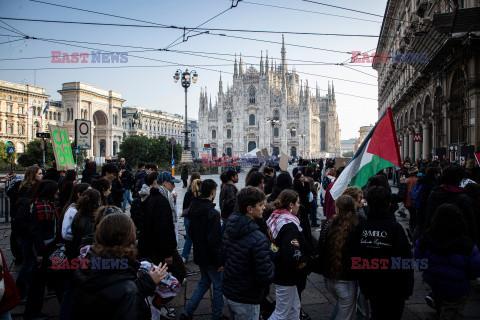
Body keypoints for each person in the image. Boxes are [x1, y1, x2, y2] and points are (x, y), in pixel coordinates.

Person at [70, 213, 168, 320]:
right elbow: (122, 295)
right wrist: (148, 282)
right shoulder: (124, 282)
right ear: (131, 239)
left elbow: (111, 294)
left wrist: (146, 283)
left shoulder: (90, 264)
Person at [352, 186, 414, 320]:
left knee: (377, 312)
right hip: (393, 286)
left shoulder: (362, 226)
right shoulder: (395, 228)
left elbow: (355, 254)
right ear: (389, 204)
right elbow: (405, 259)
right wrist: (407, 286)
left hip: (371, 284)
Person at [414, 204, 480, 319]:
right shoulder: (468, 246)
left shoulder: (425, 240)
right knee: (451, 310)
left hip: (434, 281)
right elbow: (474, 269)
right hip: (457, 286)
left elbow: (419, 260)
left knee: (440, 303)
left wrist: (429, 270)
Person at [221, 187, 274, 320]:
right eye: (261, 205)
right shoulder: (258, 238)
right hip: (247, 298)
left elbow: (223, 256)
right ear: (250, 209)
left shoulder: (231, 227)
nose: (264, 208)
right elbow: (265, 276)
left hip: (229, 292)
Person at [180, 179, 224, 320]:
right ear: (213, 192)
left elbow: (191, 233)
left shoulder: (194, 208)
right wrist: (219, 261)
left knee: (204, 282)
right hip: (211, 257)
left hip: (200, 253)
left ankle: (188, 311)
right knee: (217, 286)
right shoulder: (213, 214)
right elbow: (214, 241)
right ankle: (216, 315)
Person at [266, 190, 309, 320]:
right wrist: (303, 263)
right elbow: (291, 251)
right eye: (298, 203)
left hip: (280, 269)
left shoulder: (276, 217)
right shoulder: (289, 224)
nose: (299, 206)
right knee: (282, 312)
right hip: (286, 274)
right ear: (291, 204)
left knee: (294, 308)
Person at [317, 195, 358, 320]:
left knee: (341, 306)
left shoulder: (328, 225)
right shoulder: (355, 227)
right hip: (346, 280)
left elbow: (320, 249)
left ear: (337, 209)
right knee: (345, 314)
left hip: (329, 278)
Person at [24, 180, 59, 320]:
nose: (58, 192)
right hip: (44, 248)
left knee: (40, 282)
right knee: (37, 284)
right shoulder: (41, 206)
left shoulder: (47, 204)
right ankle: (32, 313)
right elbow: (36, 231)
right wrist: (40, 252)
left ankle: (34, 312)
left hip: (47, 246)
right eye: (56, 190)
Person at [143, 171, 186, 284]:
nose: (174, 186)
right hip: (163, 247)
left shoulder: (157, 197)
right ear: (165, 183)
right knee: (179, 271)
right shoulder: (161, 200)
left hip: (158, 245)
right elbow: (163, 227)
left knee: (163, 269)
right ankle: (166, 293)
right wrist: (167, 252)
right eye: (172, 183)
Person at [58, 183, 91, 320]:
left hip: (74, 252)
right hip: (72, 254)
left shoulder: (77, 209)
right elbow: (65, 234)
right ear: (79, 195)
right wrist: (79, 237)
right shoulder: (72, 210)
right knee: (70, 290)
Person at [424, 164, 477, 242]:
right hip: (458, 241)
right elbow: (470, 222)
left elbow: (429, 216)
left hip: (436, 238)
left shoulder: (435, 193)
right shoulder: (463, 198)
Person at [181, 174, 201, 263]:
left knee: (189, 238)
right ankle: (197, 255)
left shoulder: (188, 193)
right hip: (196, 218)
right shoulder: (199, 195)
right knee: (198, 237)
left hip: (187, 218)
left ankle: (184, 256)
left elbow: (184, 207)